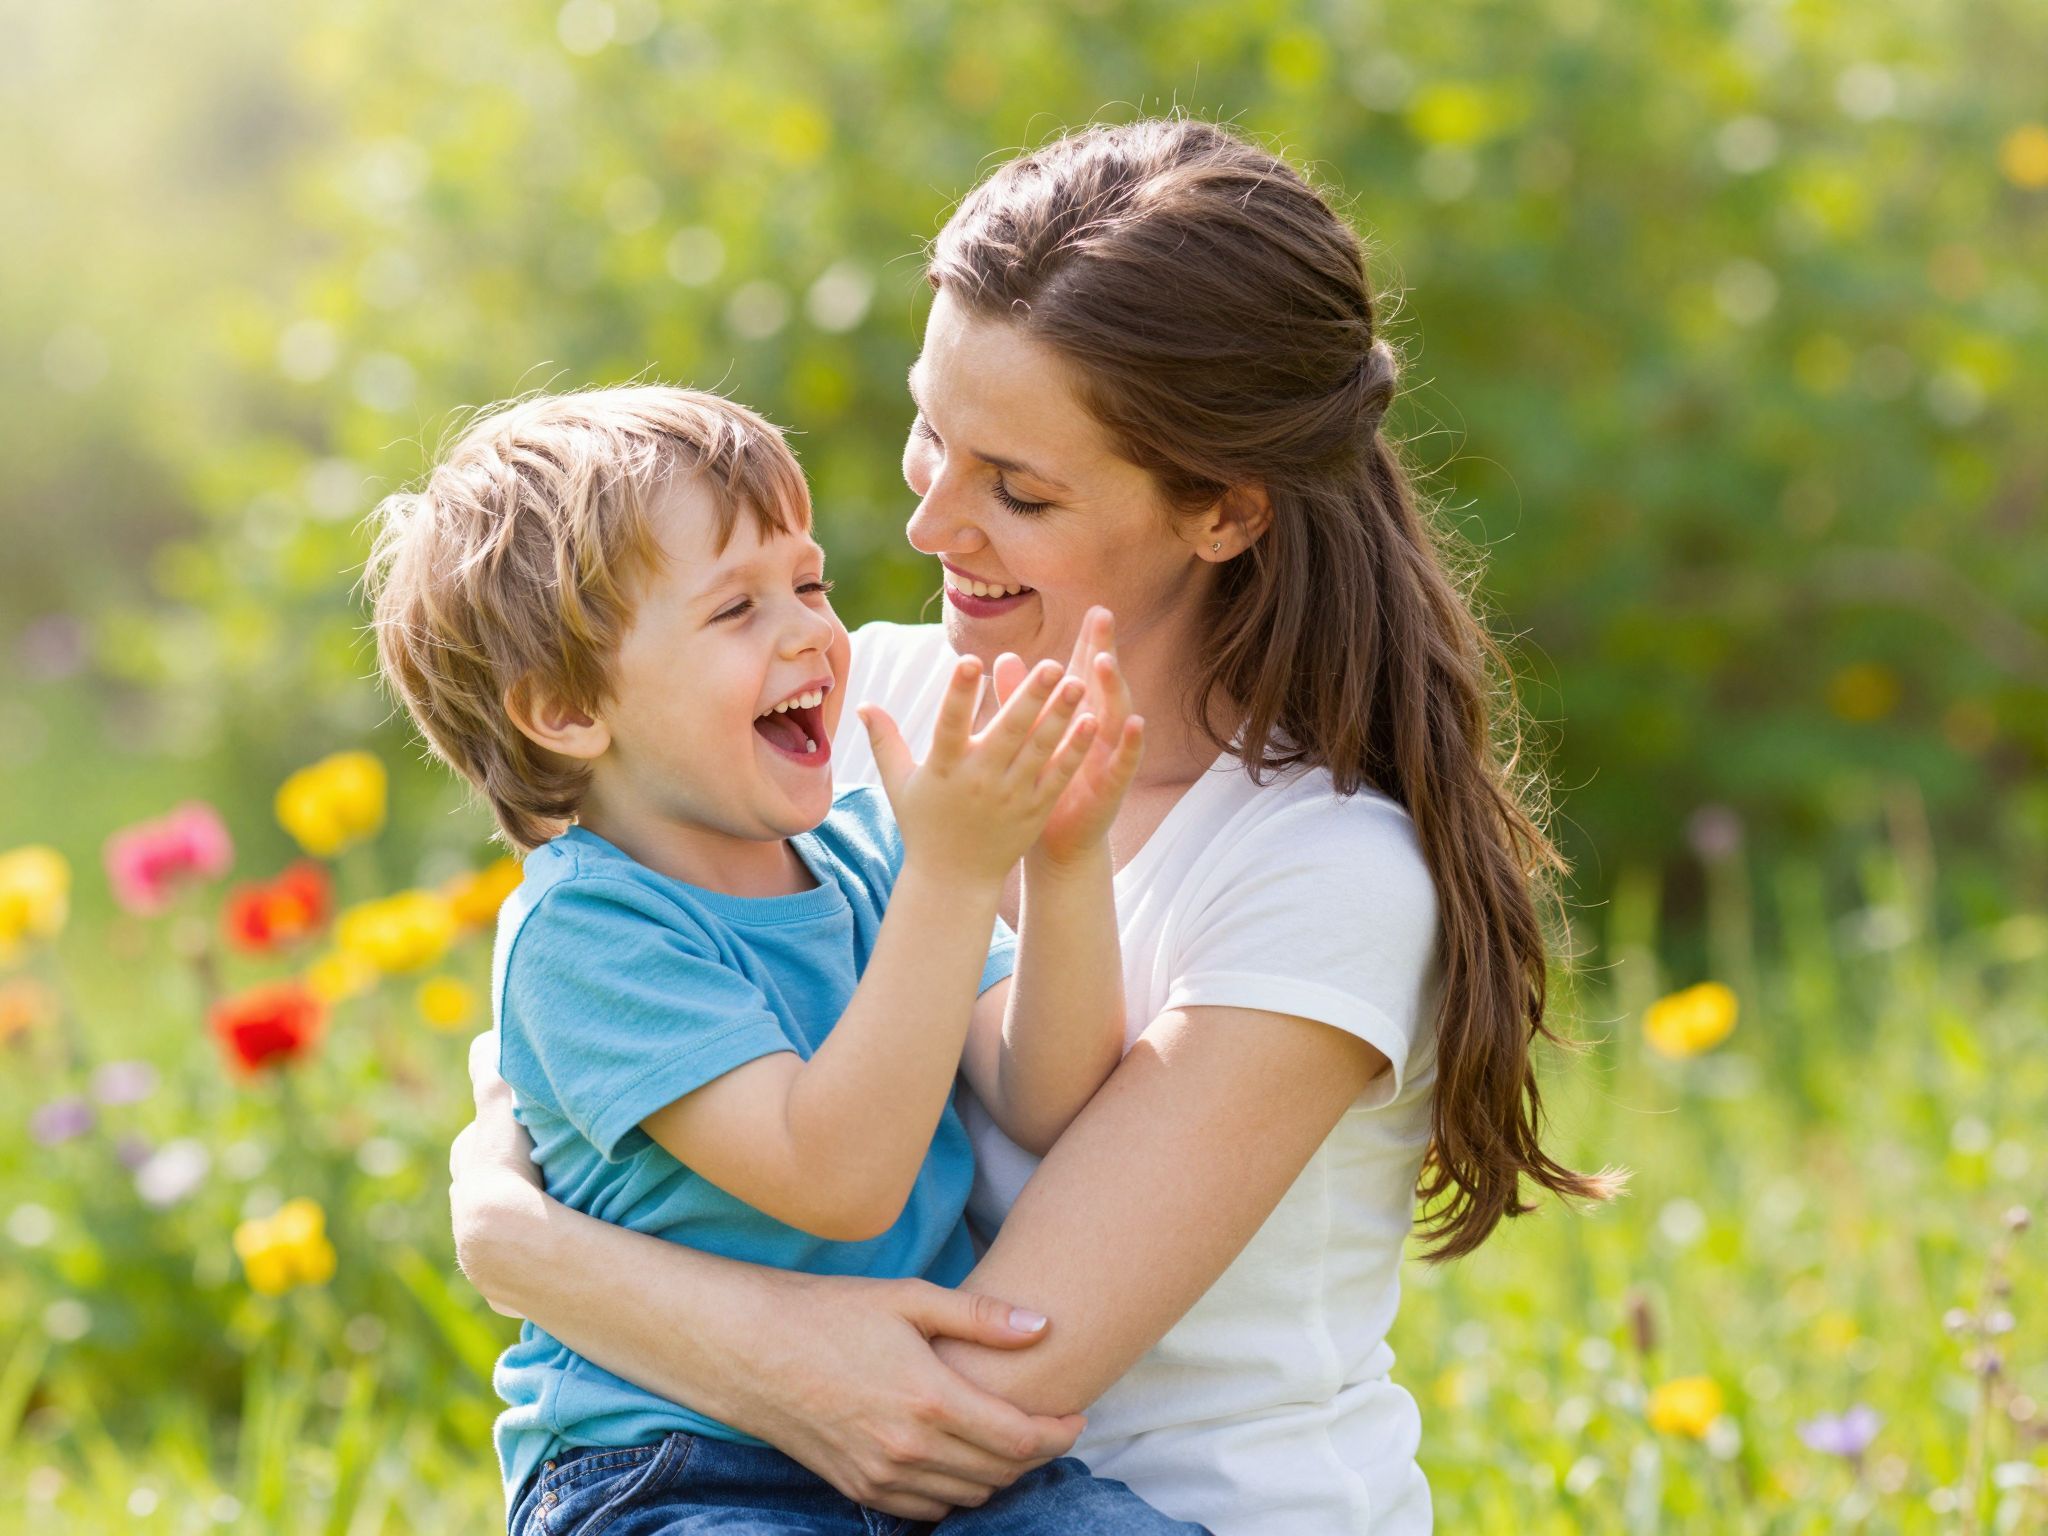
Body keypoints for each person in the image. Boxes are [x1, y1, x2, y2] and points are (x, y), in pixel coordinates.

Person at [448, 117, 1622, 1534]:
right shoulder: (844, 714)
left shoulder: (1323, 870)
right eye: (930, 434)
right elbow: (564, 1064)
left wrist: (523, 1249)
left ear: (1222, 513)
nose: (931, 525)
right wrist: (516, 1224)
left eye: (1016, 487)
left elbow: (951, 1411)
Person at [364, 385, 1204, 1534]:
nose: (810, 631)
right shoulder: (585, 935)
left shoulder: (864, 852)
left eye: (808, 586)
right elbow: (836, 1180)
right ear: (564, 709)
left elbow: (1044, 1096)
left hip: (924, 1458)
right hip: (672, 1468)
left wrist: (1063, 862)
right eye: (735, 609)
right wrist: (952, 877)